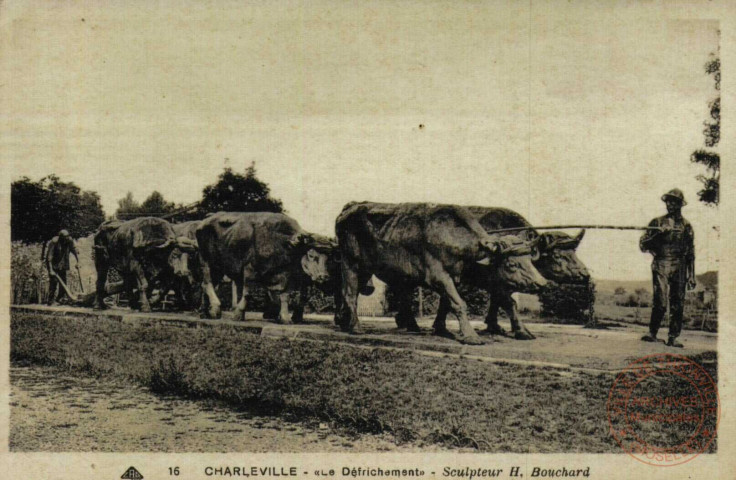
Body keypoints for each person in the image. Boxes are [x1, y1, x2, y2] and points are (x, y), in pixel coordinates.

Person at [639, 189, 696, 348]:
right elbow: (643, 246)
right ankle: (652, 333)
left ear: (680, 204)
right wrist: (657, 235)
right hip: (661, 263)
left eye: (674, 202)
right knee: (661, 300)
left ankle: (673, 337)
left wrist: (691, 275)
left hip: (680, 265)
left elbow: (690, 252)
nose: (670, 205)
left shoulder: (686, 226)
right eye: (668, 201)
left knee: (678, 302)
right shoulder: (656, 222)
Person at [44, 229, 80, 305]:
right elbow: (49, 257)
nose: (67, 237)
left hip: (63, 264)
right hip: (53, 265)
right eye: (65, 236)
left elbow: (74, 250)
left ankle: (59, 299)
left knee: (63, 283)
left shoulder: (69, 241)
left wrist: (78, 262)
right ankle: (50, 301)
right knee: (53, 282)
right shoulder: (54, 242)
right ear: (61, 237)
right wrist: (50, 270)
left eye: (68, 236)